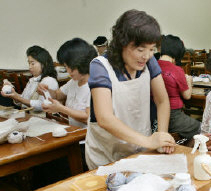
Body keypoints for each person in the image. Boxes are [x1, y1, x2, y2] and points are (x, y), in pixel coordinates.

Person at [85, 9, 175, 170]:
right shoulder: (100, 66)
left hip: (140, 149)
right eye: (140, 50)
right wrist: (149, 141)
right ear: (122, 43)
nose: (146, 56)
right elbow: (105, 118)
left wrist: (160, 137)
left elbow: (162, 101)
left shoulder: (148, 61)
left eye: (152, 49)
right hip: (106, 152)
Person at [38, 38, 97, 128]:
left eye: (70, 67)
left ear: (80, 63)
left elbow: (88, 117)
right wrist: (46, 91)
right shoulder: (73, 81)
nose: (68, 71)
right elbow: (58, 95)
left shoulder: (95, 86)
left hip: (87, 136)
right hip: (75, 132)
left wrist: (61, 108)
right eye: (65, 67)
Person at [158, 35, 200, 141]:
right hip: (173, 116)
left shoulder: (153, 66)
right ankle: (188, 151)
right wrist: (189, 81)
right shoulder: (176, 70)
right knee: (199, 127)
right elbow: (187, 96)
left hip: (154, 115)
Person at [1, 46, 58, 111]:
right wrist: (13, 94)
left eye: (32, 63)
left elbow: (43, 105)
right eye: (29, 63)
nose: (29, 67)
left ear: (44, 64)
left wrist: (19, 98)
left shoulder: (49, 80)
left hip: (42, 118)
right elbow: (23, 100)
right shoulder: (32, 80)